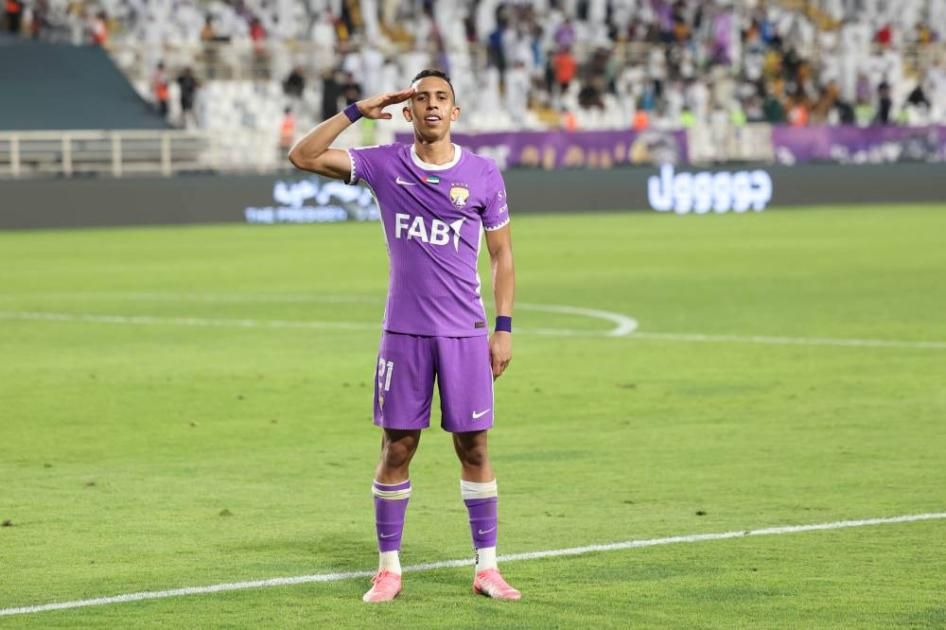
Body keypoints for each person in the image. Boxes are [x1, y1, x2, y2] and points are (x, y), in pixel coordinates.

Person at [288, 69, 519, 603]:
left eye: (441, 98)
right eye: (421, 98)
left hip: (465, 334)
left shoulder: (483, 174)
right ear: (408, 111)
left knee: (474, 446)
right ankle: (388, 569)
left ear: (454, 112)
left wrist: (503, 329)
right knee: (397, 448)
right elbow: (302, 155)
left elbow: (502, 254)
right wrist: (356, 111)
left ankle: (487, 568)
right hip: (404, 334)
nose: (431, 105)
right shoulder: (385, 164)